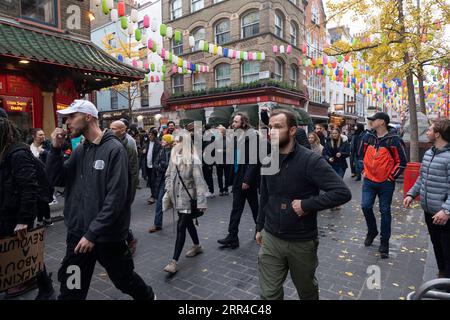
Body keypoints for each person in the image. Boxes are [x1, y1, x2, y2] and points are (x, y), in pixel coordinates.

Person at [46, 100, 155, 300]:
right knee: (72, 289)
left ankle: (148, 296)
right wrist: (55, 149)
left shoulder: (114, 149)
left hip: (106, 237)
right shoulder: (80, 149)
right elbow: (57, 179)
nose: (67, 122)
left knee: (124, 279)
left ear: (88, 117)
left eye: (72, 117)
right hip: (78, 236)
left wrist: (93, 232)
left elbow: (116, 198)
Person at [256, 109, 351, 300]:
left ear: (292, 130)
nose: (272, 131)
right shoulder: (268, 159)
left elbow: (342, 192)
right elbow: (265, 196)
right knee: (269, 294)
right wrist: (260, 227)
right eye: (270, 127)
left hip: (301, 241)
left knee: (307, 292)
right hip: (271, 238)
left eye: (278, 127)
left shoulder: (310, 160)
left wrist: (307, 205)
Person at [0, 118, 55, 300]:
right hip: (6, 210)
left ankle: (45, 288)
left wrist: (24, 220)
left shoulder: (17, 153)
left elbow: (29, 187)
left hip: (16, 214)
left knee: (28, 250)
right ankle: (23, 280)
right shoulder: (4, 152)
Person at [404, 119, 450, 278]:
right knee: (437, 245)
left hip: (444, 214)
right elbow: (422, 178)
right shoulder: (429, 153)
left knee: (447, 248)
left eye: (430, 129)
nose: (427, 132)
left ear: (438, 134)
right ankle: (442, 275)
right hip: (429, 210)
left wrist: (446, 210)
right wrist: (411, 194)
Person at [358, 112, 407, 259]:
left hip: (386, 183)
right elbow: (360, 155)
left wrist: (390, 177)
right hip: (369, 181)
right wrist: (363, 170)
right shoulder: (367, 137)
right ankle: (372, 231)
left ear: (382, 122)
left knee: (385, 211)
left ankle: (384, 242)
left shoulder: (394, 140)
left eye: (374, 120)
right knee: (366, 206)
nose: (371, 122)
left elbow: (402, 162)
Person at [162, 129, 208, 274]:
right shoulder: (173, 157)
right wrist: (169, 189)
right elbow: (168, 174)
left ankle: (174, 262)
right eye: (174, 142)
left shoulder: (193, 160)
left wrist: (201, 202)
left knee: (181, 225)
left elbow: (200, 182)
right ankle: (197, 245)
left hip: (188, 198)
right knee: (187, 223)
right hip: (176, 197)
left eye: (176, 142)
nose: (174, 144)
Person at [218, 113, 260, 249]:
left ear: (243, 123)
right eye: (233, 121)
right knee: (236, 208)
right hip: (238, 177)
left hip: (248, 179)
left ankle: (261, 231)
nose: (233, 124)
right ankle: (232, 236)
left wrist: (247, 180)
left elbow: (254, 160)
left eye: (236, 122)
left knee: (255, 208)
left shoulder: (252, 136)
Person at [109, 120, 139, 256]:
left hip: (124, 186)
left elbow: (133, 172)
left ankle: (130, 239)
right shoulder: (110, 141)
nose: (110, 130)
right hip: (113, 186)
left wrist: (129, 196)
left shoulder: (130, 144)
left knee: (121, 215)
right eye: (110, 128)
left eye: (113, 128)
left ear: (122, 130)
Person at [148, 134, 174, 233]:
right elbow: (155, 164)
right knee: (159, 201)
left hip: (170, 179)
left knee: (165, 201)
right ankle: (158, 224)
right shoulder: (161, 150)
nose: (161, 141)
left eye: (164, 140)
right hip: (161, 179)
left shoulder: (172, 152)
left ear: (168, 142)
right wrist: (161, 167)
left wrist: (161, 165)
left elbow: (170, 166)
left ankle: (185, 218)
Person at [142, 129, 160, 204]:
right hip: (148, 165)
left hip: (154, 166)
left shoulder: (158, 144)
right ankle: (155, 195)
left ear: (155, 136)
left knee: (154, 181)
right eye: (149, 135)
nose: (150, 136)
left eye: (151, 135)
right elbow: (146, 152)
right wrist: (143, 151)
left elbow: (159, 155)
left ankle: (154, 196)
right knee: (150, 181)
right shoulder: (148, 143)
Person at [215, 125, 231, 196]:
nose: (218, 133)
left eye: (219, 132)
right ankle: (221, 190)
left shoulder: (228, 140)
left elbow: (229, 150)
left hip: (227, 160)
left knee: (227, 176)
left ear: (223, 132)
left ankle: (226, 189)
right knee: (219, 176)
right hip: (218, 161)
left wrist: (219, 150)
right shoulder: (216, 140)